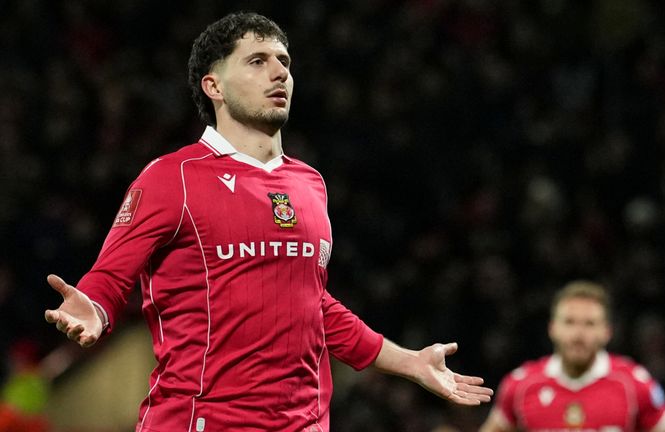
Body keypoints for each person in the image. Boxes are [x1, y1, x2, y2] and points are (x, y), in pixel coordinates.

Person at [44, 11, 492, 431]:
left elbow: (313, 304)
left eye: (284, 61)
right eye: (257, 61)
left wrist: (408, 362)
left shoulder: (309, 184)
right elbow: (110, 274)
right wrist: (95, 307)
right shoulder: (171, 178)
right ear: (214, 86)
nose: (279, 73)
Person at [479, 281, 665, 432]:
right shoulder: (520, 385)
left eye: (590, 324)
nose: (578, 334)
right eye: (569, 322)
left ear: (607, 332)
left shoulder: (635, 384)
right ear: (552, 328)